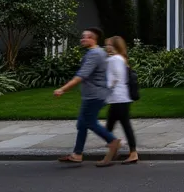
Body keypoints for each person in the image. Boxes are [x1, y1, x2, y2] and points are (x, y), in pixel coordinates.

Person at [55, 28, 121, 165]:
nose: (82, 39)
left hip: (94, 95)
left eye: (85, 37)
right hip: (94, 94)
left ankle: (112, 141)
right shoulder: (98, 52)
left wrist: (62, 89)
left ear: (92, 39)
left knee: (90, 122)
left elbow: (82, 75)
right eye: (82, 37)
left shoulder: (94, 54)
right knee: (82, 124)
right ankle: (77, 154)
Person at [104, 35, 139, 165]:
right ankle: (122, 149)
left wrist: (106, 87)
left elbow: (114, 78)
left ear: (115, 47)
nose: (107, 47)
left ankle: (123, 149)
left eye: (109, 45)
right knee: (119, 126)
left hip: (118, 98)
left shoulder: (114, 59)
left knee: (110, 128)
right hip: (121, 98)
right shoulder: (121, 59)